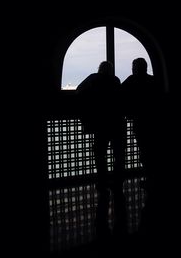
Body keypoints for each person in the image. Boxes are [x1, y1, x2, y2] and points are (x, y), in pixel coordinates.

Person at [76, 61, 127, 237]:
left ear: (99, 69)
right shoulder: (116, 80)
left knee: (99, 154)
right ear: (111, 70)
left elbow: (79, 91)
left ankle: (102, 182)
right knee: (118, 154)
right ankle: (117, 182)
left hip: (100, 124)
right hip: (117, 123)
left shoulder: (93, 79)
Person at [121, 57, 162, 234]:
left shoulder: (132, 81)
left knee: (144, 152)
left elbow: (119, 93)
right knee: (154, 151)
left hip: (139, 123)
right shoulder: (153, 81)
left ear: (135, 68)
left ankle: (150, 179)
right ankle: (155, 179)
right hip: (155, 124)